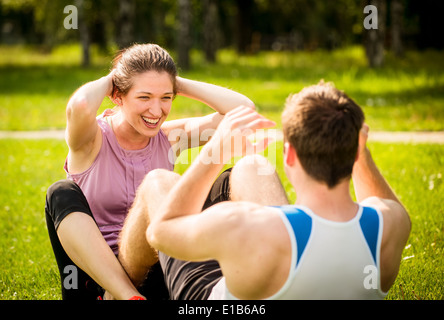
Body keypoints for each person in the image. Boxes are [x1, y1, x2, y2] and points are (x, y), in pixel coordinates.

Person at [145, 82, 412, 299]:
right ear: (356, 149)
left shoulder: (244, 223)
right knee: (251, 166)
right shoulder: (390, 226)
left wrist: (216, 151)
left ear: (290, 155)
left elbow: (161, 231)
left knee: (158, 183)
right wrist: (361, 153)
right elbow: (383, 202)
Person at [45, 43, 255, 300]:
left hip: (152, 269)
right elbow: (79, 106)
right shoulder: (91, 140)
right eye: (144, 97)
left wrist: (172, 83)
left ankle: (268, 270)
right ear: (117, 95)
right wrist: (114, 78)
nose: (157, 111)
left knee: (232, 180)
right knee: (60, 191)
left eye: (166, 98)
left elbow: (243, 113)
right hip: (96, 280)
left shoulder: (169, 138)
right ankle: (123, 294)